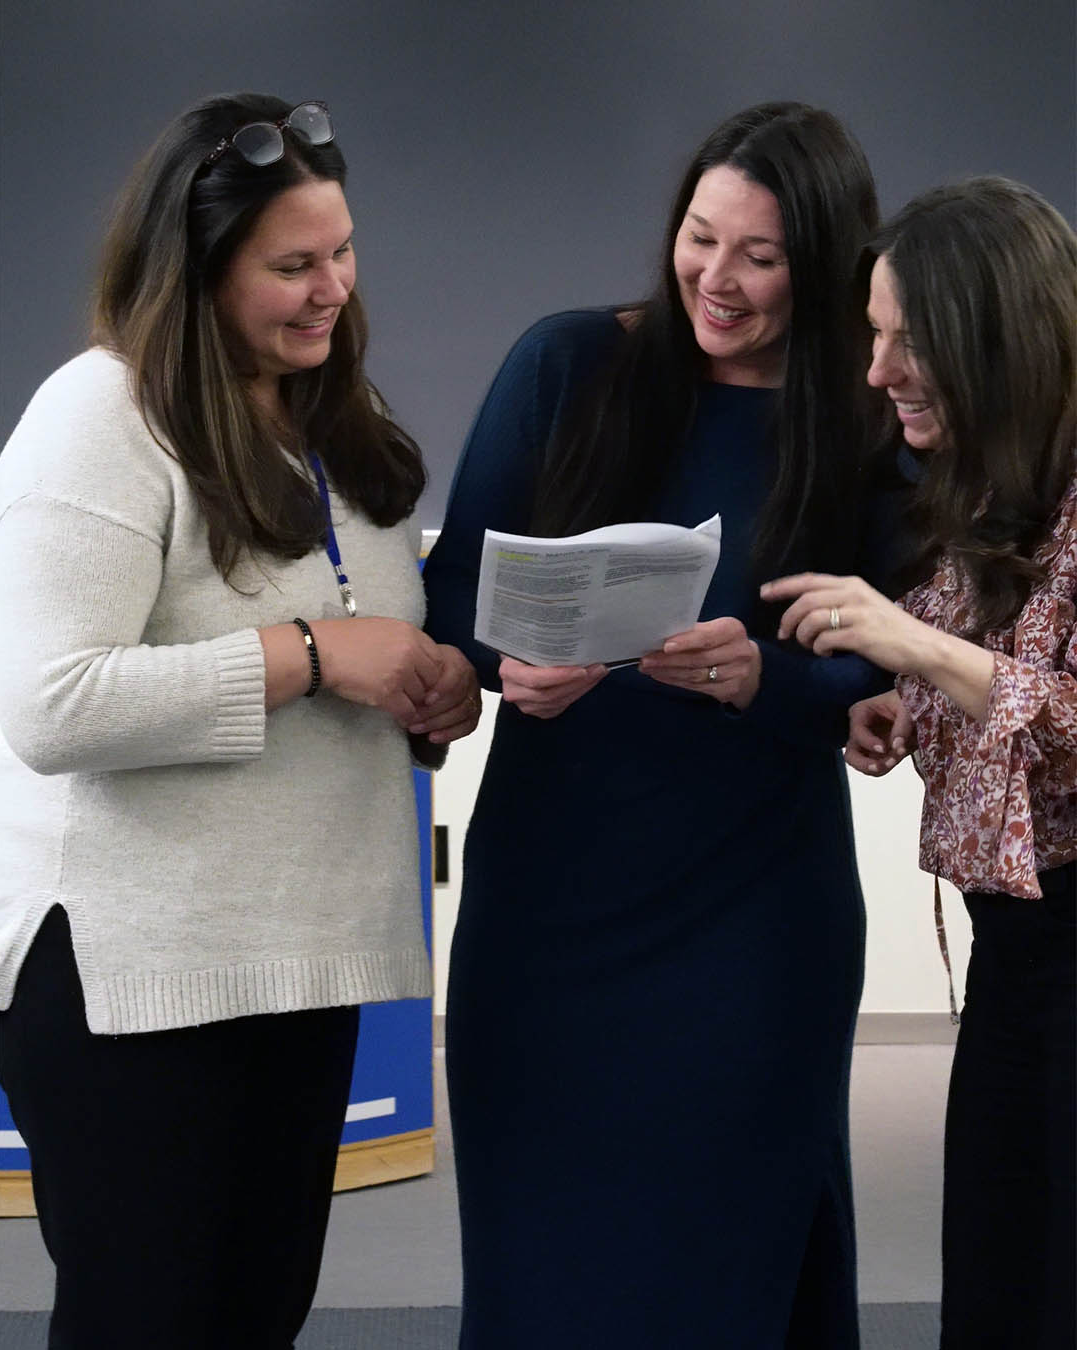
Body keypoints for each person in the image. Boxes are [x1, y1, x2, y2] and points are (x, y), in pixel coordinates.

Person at [0, 93, 479, 1349]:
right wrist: (311, 656)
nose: (333, 289)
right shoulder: (100, 416)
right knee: (146, 1322)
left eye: (343, 251)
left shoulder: (341, 428)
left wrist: (429, 696)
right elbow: (51, 704)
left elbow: (365, 653)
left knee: (256, 1318)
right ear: (197, 270)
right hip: (135, 983)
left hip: (303, 963)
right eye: (291, 265)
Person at [423, 102, 896, 1348]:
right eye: (701, 237)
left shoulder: (863, 415)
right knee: (543, 1260)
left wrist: (761, 678)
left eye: (762, 256)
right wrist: (512, 660)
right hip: (550, 905)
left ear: (825, 264)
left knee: (728, 1257)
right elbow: (453, 594)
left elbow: (884, 660)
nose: (717, 279)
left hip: (755, 911)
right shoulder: (567, 363)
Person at [764, 177, 1076, 1350]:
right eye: (875, 335)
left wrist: (924, 650)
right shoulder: (998, 484)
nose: (878, 370)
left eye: (908, 341)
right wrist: (912, 697)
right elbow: (1005, 676)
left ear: (995, 338)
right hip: (1019, 954)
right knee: (1001, 1279)